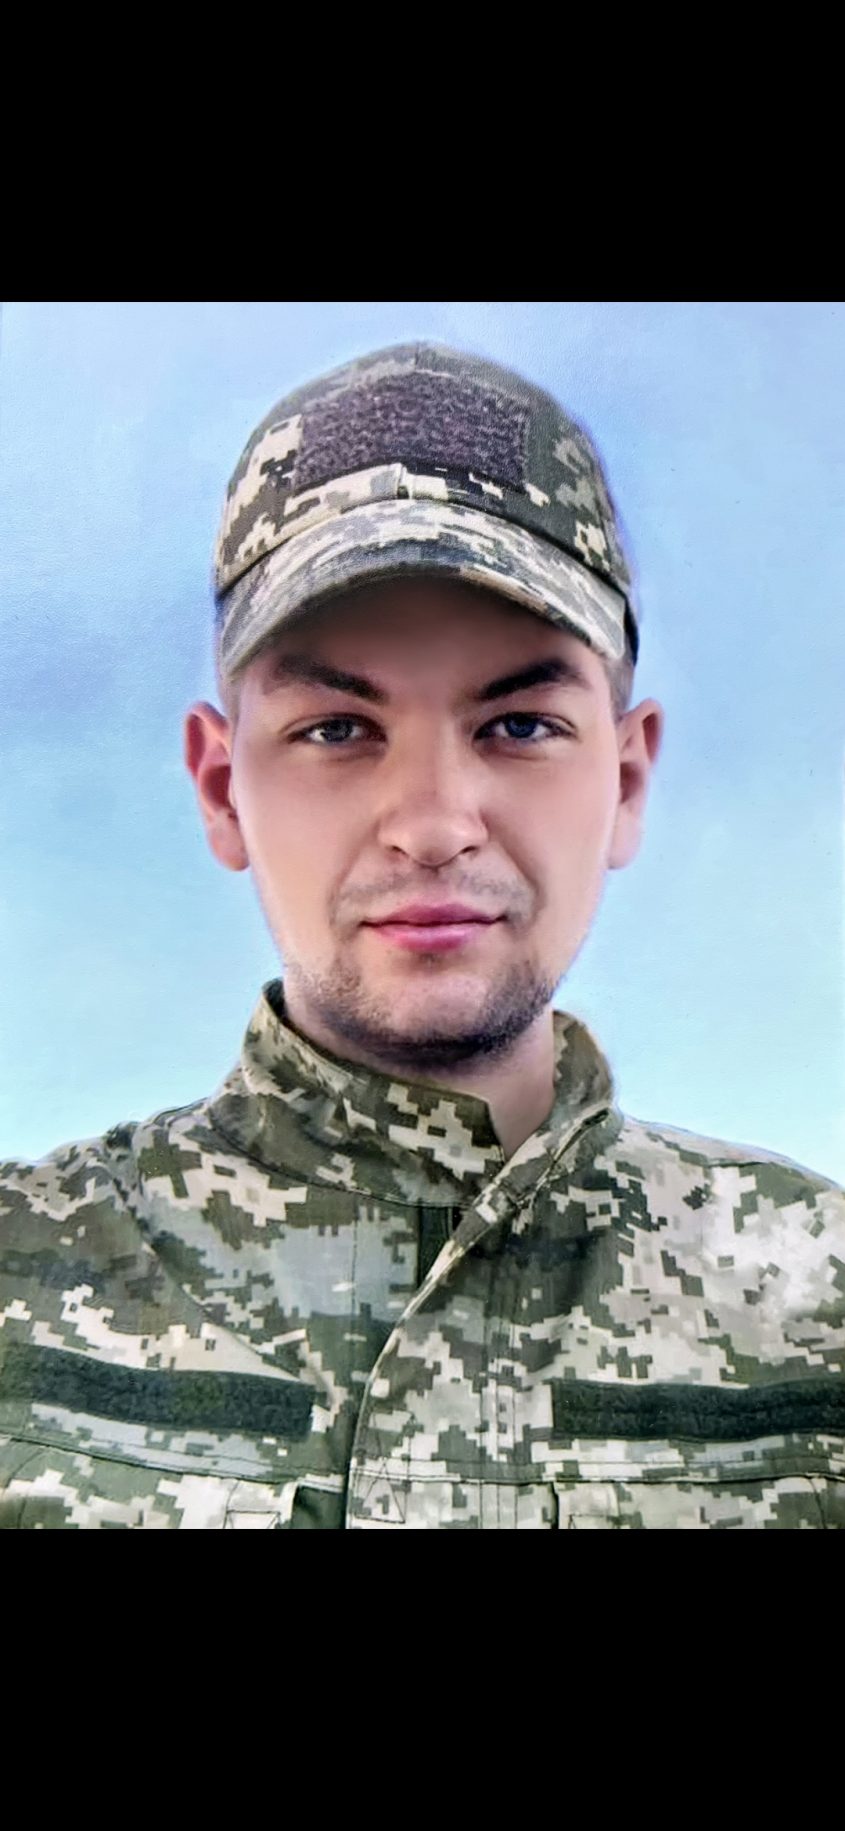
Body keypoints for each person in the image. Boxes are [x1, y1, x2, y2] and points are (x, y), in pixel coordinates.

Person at [1, 341, 842, 1530]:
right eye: (338, 729)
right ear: (221, 788)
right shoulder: (21, 1278)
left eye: (518, 723)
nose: (435, 824)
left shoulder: (816, 1302)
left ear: (626, 778)